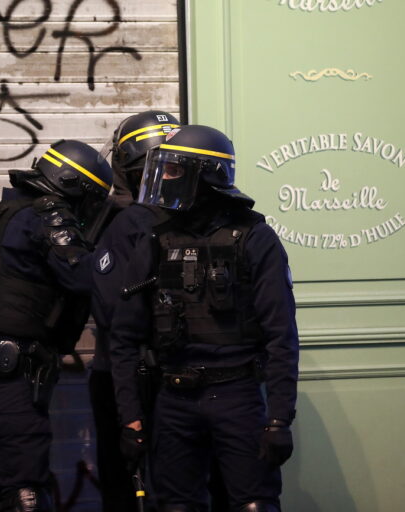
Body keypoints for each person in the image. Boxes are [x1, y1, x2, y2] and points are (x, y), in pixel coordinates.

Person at [109, 125, 300, 512]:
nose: (162, 177)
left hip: (237, 394)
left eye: (173, 170)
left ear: (207, 174)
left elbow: (281, 336)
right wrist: (130, 418)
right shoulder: (155, 237)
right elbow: (124, 338)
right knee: (177, 506)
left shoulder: (254, 238)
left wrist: (279, 418)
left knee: (254, 504)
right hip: (173, 397)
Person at [0, 140, 113, 512]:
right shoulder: (47, 215)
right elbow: (84, 277)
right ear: (74, 184)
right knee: (26, 493)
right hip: (9, 377)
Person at [89, 110, 180, 512]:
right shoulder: (197, 219)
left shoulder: (117, 223)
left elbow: (109, 310)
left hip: (128, 376)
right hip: (167, 377)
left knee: (129, 488)